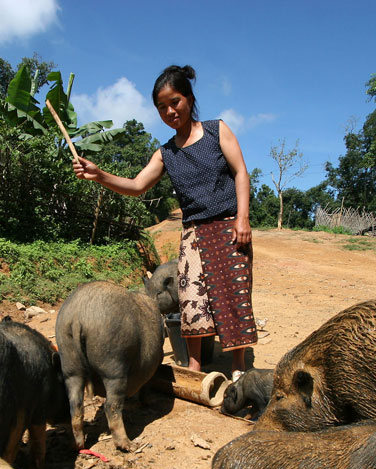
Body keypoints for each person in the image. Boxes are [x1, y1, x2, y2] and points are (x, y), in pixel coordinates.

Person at [72, 65, 257, 381]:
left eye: (175, 102)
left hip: (228, 227)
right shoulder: (166, 153)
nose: (170, 111)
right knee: (192, 300)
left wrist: (243, 218)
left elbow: (240, 171)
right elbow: (137, 185)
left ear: (189, 98)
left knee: (232, 295)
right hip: (194, 234)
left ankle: (238, 366)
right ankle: (195, 367)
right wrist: (99, 175)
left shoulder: (217, 130)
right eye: (162, 107)